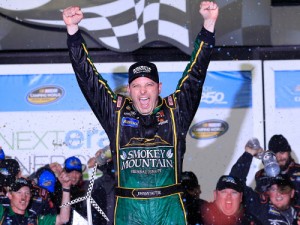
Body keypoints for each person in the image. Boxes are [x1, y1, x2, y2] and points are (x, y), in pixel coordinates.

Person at [63, 1, 219, 224]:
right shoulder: (116, 113)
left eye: (149, 85)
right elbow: (88, 79)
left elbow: (195, 74)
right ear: (129, 90)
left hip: (169, 212)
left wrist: (209, 25)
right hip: (129, 212)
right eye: (136, 86)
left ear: (159, 88)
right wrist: (73, 32)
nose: (143, 91)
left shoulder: (176, 111)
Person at [230, 142, 300, 225]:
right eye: (273, 189)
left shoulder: (297, 213)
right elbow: (234, 185)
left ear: (292, 193)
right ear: (268, 193)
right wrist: (248, 154)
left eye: (283, 189)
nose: (278, 194)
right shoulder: (260, 208)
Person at [0, 176, 72, 224]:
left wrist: (66, 187)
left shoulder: (35, 218)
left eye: (27, 193)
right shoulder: (2, 212)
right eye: (19, 192)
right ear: (10, 195)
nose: (23, 197)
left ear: (30, 196)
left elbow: (63, 219)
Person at [255, 134, 300, 207]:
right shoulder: (262, 175)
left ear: (288, 153)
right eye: (275, 154)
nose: (279, 157)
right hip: (270, 217)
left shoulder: (298, 172)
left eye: (282, 153)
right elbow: (258, 203)